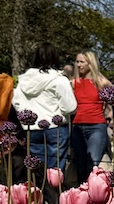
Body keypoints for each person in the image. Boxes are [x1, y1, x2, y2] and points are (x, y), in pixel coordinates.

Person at [11, 43, 78, 176]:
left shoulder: (24, 81)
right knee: (55, 172)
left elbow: (16, 101)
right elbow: (70, 106)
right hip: (56, 128)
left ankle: (39, 195)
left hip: (33, 129)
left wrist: (28, 115)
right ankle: (54, 196)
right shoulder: (59, 80)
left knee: (37, 172)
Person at [72, 51, 111, 180]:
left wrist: (111, 114)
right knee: (80, 164)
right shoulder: (73, 83)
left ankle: (93, 193)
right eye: (77, 62)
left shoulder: (101, 82)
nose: (78, 65)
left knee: (92, 163)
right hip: (77, 126)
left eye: (82, 62)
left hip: (97, 126)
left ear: (90, 63)